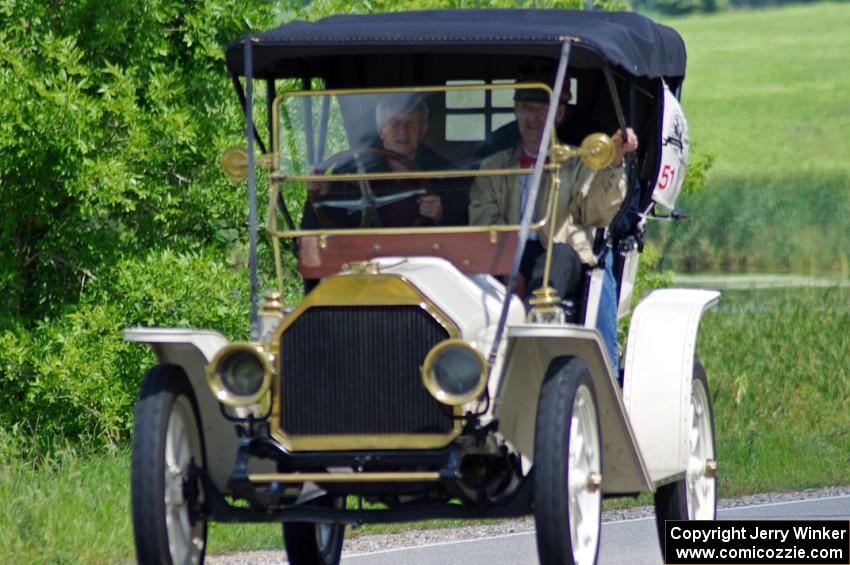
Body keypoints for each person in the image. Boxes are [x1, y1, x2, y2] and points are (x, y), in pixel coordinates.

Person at [469, 60, 637, 370]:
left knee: (558, 255)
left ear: (559, 114)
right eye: (526, 108)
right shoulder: (494, 165)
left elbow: (596, 213)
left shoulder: (579, 162)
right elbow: (482, 223)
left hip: (557, 254)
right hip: (508, 254)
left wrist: (614, 162)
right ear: (516, 112)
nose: (534, 118)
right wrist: (506, 267)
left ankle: (540, 331)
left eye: (542, 109)